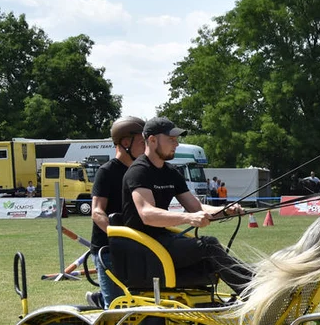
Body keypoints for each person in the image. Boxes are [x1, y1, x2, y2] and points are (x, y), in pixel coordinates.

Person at [121, 117, 254, 296]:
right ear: (152, 140)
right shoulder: (139, 171)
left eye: (177, 139)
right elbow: (147, 214)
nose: (176, 144)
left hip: (162, 241)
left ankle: (252, 282)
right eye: (171, 139)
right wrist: (187, 218)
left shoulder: (171, 173)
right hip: (142, 248)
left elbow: (196, 207)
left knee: (210, 251)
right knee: (208, 245)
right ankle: (251, 289)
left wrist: (225, 210)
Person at [86, 115, 145, 309]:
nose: (146, 146)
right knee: (116, 308)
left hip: (137, 248)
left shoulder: (142, 171)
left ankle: (100, 299)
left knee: (141, 303)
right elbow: (97, 211)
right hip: (109, 249)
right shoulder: (107, 171)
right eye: (142, 141)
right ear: (126, 142)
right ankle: (104, 300)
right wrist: (118, 236)